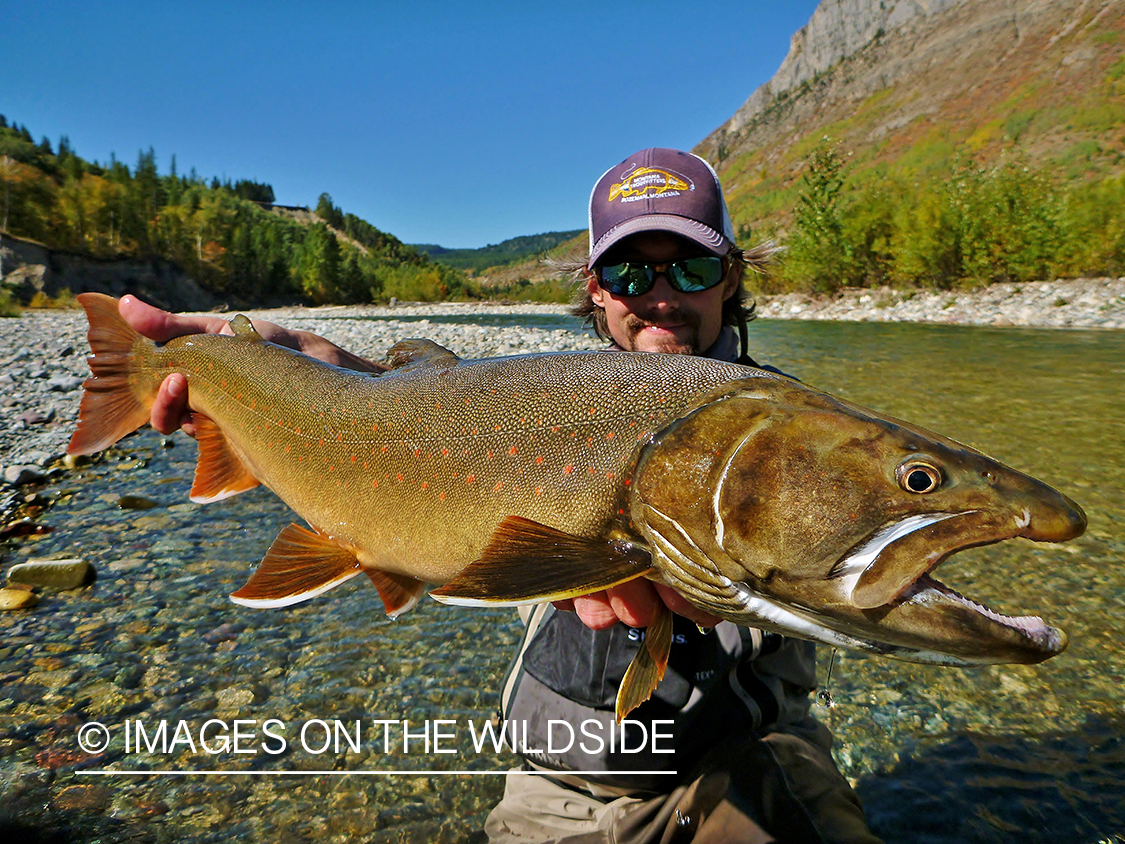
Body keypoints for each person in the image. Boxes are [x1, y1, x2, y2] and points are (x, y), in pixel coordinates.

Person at [122, 147, 880, 843]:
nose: (657, 298)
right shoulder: (527, 401)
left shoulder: (807, 436)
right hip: (554, 786)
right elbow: (420, 413)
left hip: (744, 772)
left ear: (730, 279)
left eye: (688, 270)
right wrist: (291, 374)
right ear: (593, 286)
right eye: (628, 274)